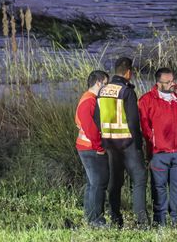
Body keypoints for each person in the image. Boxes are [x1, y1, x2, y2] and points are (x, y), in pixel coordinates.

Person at [138, 67, 177, 225]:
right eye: (168, 82)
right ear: (158, 83)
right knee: (159, 188)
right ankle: (160, 221)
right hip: (159, 153)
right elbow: (145, 127)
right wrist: (152, 146)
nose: (172, 84)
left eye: (173, 81)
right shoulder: (146, 100)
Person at [98, 56, 148, 227]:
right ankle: (141, 220)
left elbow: (97, 118)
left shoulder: (102, 91)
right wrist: (139, 143)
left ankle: (115, 217)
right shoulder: (127, 91)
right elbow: (134, 121)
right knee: (140, 179)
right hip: (128, 144)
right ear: (128, 73)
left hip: (110, 144)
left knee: (115, 182)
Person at [76, 70, 110, 227]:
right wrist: (99, 146)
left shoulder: (88, 98)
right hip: (90, 148)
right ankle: (96, 219)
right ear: (98, 83)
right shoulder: (89, 100)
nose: (106, 87)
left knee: (92, 183)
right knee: (98, 183)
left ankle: (90, 217)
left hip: (86, 146)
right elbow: (89, 127)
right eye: (105, 83)